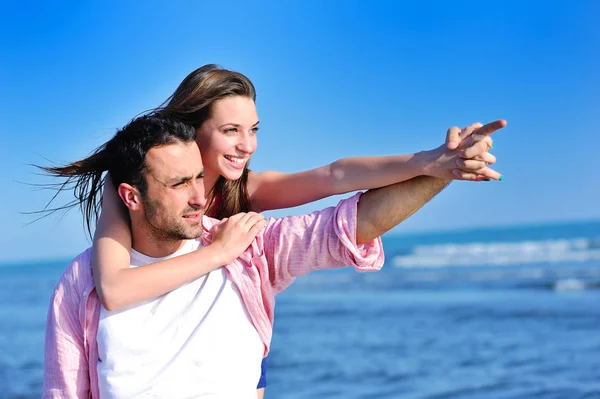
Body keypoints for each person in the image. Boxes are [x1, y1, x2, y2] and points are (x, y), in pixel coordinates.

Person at [90, 65, 501, 397]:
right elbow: (114, 288)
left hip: (233, 337)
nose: (246, 145)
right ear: (193, 129)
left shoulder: (247, 188)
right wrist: (218, 252)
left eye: (253, 130)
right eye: (231, 130)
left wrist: (431, 161)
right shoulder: (129, 185)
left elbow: (335, 175)